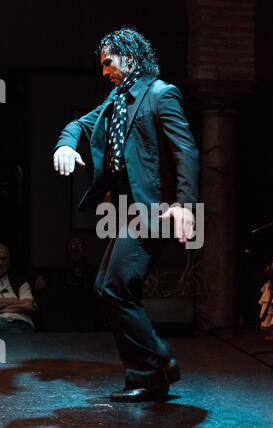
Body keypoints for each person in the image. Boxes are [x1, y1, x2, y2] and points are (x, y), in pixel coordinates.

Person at [53, 27, 199, 402]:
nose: (104, 70)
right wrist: (67, 146)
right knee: (106, 287)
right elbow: (79, 125)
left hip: (155, 211)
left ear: (130, 57)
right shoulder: (117, 99)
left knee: (116, 287)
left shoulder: (160, 94)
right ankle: (159, 361)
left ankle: (150, 374)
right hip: (125, 213)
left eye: (108, 62)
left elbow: (186, 151)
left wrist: (184, 204)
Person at [0, 244, 35, 331]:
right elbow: (24, 304)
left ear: (9, 261)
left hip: (20, 324)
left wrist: (2, 307)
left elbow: (28, 306)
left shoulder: (19, 281)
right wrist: (15, 301)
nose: (0, 263)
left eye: (3, 259)